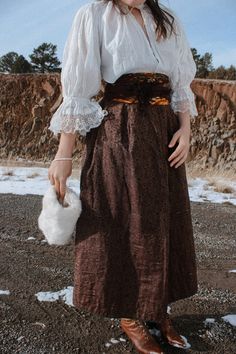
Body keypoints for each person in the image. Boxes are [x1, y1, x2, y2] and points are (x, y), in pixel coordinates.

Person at [47, 0, 199, 353]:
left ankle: (157, 308)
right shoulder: (94, 15)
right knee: (126, 220)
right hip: (120, 130)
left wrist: (186, 130)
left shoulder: (169, 19)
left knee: (164, 220)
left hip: (163, 131)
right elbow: (78, 88)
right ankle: (131, 313)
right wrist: (64, 153)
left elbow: (180, 81)